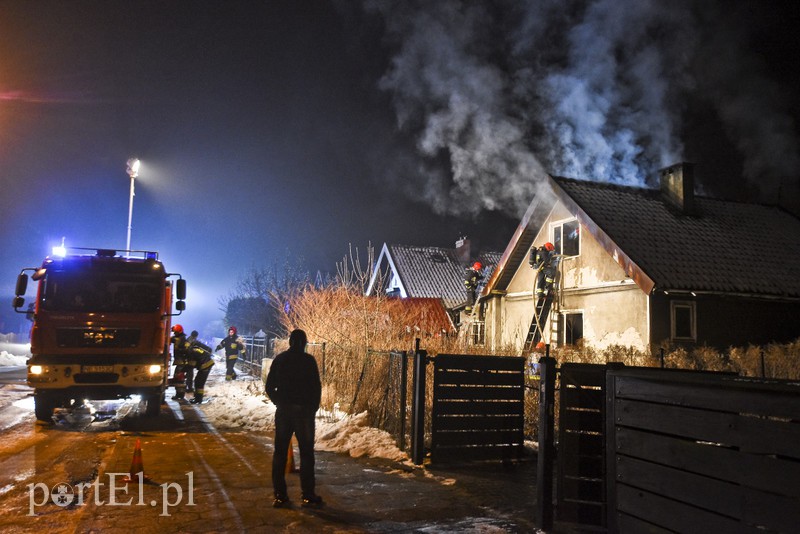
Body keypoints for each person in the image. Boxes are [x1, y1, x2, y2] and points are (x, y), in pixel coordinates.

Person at [265, 329, 323, 508]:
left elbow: (269, 386)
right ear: (304, 343)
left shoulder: (280, 360)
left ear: (290, 342)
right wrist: (312, 408)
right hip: (304, 412)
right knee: (306, 453)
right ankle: (308, 494)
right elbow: (316, 387)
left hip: (284, 412)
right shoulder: (308, 361)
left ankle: (280, 495)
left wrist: (279, 402)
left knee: (280, 453)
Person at [187, 333, 215, 404]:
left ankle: (198, 399)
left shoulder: (192, 352)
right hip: (206, 364)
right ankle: (197, 398)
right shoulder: (195, 349)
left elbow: (192, 364)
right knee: (198, 381)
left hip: (205, 365)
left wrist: (184, 370)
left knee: (199, 382)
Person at [169, 324, 190, 401]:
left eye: (175, 332)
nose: (174, 333)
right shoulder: (182, 338)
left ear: (178, 332)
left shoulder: (179, 339)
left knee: (179, 379)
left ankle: (180, 395)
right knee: (178, 378)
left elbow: (172, 339)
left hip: (181, 362)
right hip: (181, 362)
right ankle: (179, 394)